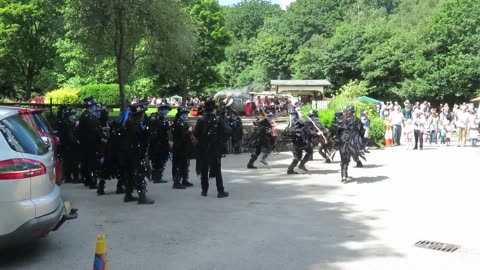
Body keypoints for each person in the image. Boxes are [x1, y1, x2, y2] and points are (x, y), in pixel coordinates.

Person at [119, 101, 154, 204]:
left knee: (130, 174)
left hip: (129, 152)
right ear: (140, 114)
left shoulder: (129, 122)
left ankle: (128, 194)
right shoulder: (135, 124)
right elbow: (140, 139)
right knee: (139, 173)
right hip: (135, 153)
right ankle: (142, 196)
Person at [194, 100, 230, 198]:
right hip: (215, 149)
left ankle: (204, 190)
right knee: (217, 170)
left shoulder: (201, 120)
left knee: (204, 170)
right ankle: (220, 191)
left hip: (203, 149)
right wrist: (221, 141)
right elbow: (228, 130)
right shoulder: (218, 119)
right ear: (214, 109)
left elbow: (195, 134)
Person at [334, 105, 366, 182]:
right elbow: (362, 131)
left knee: (344, 158)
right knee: (347, 158)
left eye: (346, 112)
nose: (346, 113)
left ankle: (344, 175)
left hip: (343, 141)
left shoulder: (341, 120)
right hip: (351, 142)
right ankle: (344, 174)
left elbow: (336, 130)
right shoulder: (357, 120)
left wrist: (334, 138)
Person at [78, 96, 102, 189]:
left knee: (86, 162)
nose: (95, 107)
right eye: (94, 105)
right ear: (91, 106)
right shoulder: (90, 117)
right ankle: (92, 181)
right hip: (91, 143)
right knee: (92, 163)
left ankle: (87, 180)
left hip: (85, 143)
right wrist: (102, 136)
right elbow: (95, 130)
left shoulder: (84, 115)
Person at [148, 100, 172, 184]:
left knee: (161, 159)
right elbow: (156, 128)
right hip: (157, 142)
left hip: (162, 141)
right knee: (158, 159)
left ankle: (157, 176)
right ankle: (156, 177)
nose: (167, 111)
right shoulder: (156, 117)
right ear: (161, 109)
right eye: (165, 109)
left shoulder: (163, 118)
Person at [171, 106, 194, 189]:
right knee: (178, 164)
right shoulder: (178, 122)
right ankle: (176, 181)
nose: (186, 115)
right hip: (179, 146)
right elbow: (182, 134)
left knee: (185, 163)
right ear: (181, 114)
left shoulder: (182, 122)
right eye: (185, 113)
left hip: (184, 146)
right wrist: (189, 130)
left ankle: (185, 179)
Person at [59, 108, 80, 184]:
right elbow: (70, 136)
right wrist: (76, 142)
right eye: (72, 115)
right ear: (68, 116)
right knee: (73, 162)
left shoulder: (65, 123)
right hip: (69, 146)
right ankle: (75, 178)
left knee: (67, 163)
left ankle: (68, 178)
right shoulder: (67, 124)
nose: (74, 116)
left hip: (66, 147)